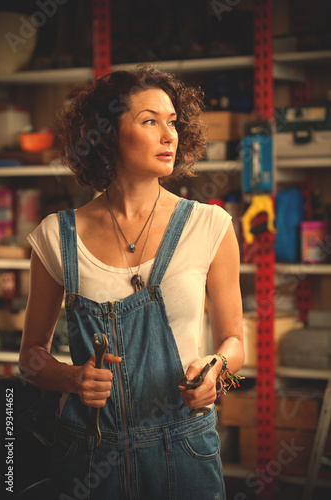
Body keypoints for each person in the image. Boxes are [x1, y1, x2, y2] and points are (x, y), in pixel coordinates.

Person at [19, 65, 244, 500]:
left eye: (173, 122)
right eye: (149, 121)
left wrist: (219, 374)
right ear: (107, 135)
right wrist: (71, 379)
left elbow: (235, 342)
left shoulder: (210, 226)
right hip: (87, 454)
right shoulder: (56, 235)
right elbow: (30, 359)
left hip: (185, 452)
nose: (169, 135)